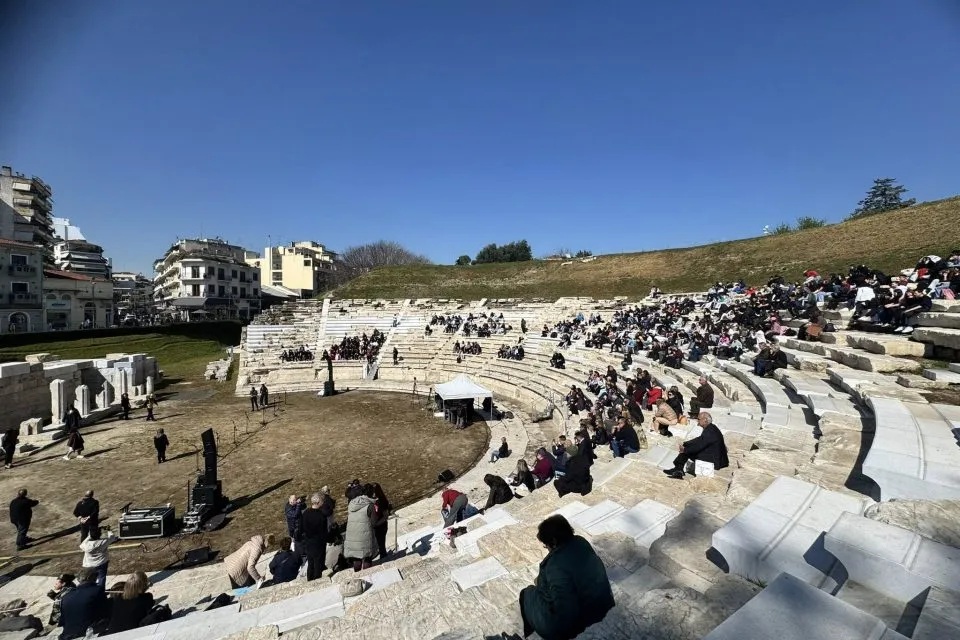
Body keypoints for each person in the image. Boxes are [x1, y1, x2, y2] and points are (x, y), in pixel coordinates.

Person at [519, 515, 614, 639]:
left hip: (582, 621)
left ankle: (530, 634)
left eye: (546, 545)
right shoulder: (581, 541)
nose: (546, 548)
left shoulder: (555, 565)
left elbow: (566, 612)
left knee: (527, 594)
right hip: (603, 604)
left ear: (553, 541)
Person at [663, 412, 730, 480]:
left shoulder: (710, 431)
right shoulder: (711, 427)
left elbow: (700, 445)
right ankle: (678, 469)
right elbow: (700, 440)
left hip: (714, 460)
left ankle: (678, 469)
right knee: (687, 447)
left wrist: (685, 450)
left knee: (687, 451)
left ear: (705, 420)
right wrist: (687, 443)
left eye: (699, 419)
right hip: (713, 455)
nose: (697, 421)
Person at [58, 567, 107, 640]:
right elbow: (104, 612)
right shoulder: (97, 590)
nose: (96, 579)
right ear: (89, 577)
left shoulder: (65, 597)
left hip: (66, 635)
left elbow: (62, 621)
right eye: (96, 576)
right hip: (87, 633)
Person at [344, 486, 377, 572]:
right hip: (365, 536)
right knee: (367, 558)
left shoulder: (351, 504)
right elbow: (374, 523)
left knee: (356, 558)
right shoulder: (370, 505)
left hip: (352, 536)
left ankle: (358, 577)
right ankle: (367, 576)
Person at [301, 493, 329, 581]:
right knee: (318, 564)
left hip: (308, 542)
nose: (323, 503)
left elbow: (301, 528)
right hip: (318, 543)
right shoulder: (321, 515)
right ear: (318, 502)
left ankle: (310, 581)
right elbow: (324, 532)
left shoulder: (305, 513)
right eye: (322, 501)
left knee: (310, 563)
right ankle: (317, 581)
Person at [370, 483, 392, 560]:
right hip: (378, 526)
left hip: (380, 526)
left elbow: (385, 515)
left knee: (381, 545)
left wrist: (376, 524)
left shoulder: (381, 501)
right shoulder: (374, 500)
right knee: (379, 544)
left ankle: (384, 558)